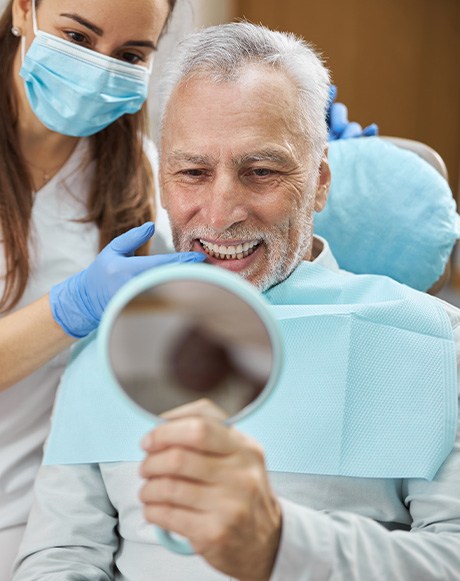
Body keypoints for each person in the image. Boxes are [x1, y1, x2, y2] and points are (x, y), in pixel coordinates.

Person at [14, 21, 460, 581]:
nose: (222, 212)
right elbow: (59, 556)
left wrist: (280, 546)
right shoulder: (108, 346)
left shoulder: (436, 343)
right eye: (193, 172)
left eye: (262, 172)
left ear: (319, 181)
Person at [0, 0, 218, 576]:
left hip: (59, 520)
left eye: (129, 55)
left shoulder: (139, 178)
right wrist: (74, 307)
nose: (98, 68)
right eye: (76, 35)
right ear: (24, 10)